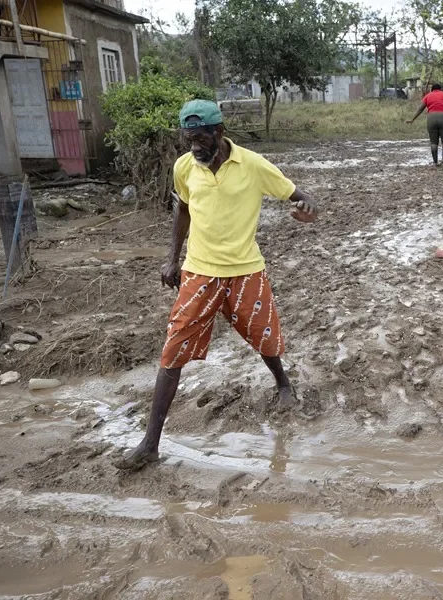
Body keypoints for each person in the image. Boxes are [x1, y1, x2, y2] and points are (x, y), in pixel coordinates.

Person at [115, 99, 318, 471]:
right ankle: (150, 443)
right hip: (200, 272)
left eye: (200, 141)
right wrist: (171, 259)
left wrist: (306, 211)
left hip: (246, 271)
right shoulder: (184, 167)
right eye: (188, 141)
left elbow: (302, 198)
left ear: (218, 133)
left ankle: (284, 384)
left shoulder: (254, 166)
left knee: (265, 338)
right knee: (173, 350)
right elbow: (183, 210)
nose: (194, 149)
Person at [407, 83, 443, 167]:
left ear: (432, 89)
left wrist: (412, 119)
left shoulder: (428, 96)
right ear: (440, 89)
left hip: (431, 118)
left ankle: (435, 162)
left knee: (433, 142)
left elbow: (420, 109)